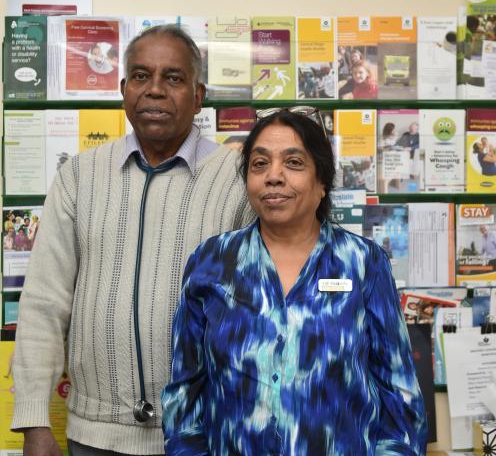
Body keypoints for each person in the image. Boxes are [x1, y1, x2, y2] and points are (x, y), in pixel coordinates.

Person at [12, 25, 254, 456]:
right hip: (95, 437)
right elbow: (44, 302)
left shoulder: (237, 181)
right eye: (141, 77)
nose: (155, 91)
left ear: (198, 97)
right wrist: (34, 420)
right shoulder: (78, 177)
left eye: (174, 78)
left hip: (206, 434)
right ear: (124, 89)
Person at [162, 108, 427, 455]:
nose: (273, 176)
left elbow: (399, 391)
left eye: (294, 163)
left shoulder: (362, 262)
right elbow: (185, 391)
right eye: (259, 164)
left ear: (322, 183)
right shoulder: (212, 261)